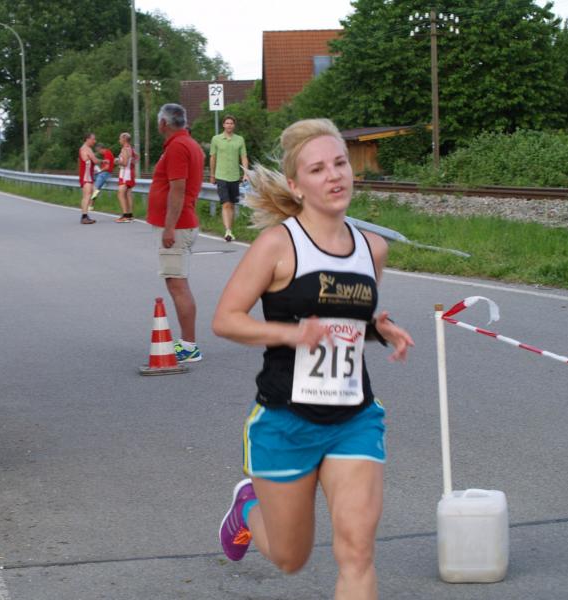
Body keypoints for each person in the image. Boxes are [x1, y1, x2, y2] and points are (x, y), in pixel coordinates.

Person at [211, 119, 414, 599]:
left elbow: (346, 318)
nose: (334, 175)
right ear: (296, 185)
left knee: (357, 551)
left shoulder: (373, 249)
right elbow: (226, 319)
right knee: (290, 557)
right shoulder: (278, 245)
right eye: (318, 169)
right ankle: (247, 509)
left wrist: (377, 329)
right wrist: (291, 333)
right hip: (285, 419)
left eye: (340, 163)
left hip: (354, 416)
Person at [147, 103, 204, 363]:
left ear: (163, 123)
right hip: (181, 223)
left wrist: (169, 227)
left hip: (178, 226)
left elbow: (178, 189)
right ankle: (187, 342)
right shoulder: (187, 143)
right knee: (176, 281)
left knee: (177, 284)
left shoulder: (178, 147)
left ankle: (189, 345)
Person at [210, 115, 249, 242]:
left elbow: (243, 157)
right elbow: (213, 157)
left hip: (234, 176)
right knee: (226, 204)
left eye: (231, 123)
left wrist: (246, 173)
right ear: (223, 125)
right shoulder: (216, 139)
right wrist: (212, 175)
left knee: (231, 204)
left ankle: (230, 230)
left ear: (234, 125)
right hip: (221, 176)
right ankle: (227, 230)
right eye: (227, 123)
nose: (229, 125)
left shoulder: (240, 139)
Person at [115, 133, 138, 223]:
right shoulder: (131, 148)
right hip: (130, 173)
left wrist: (117, 161)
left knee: (120, 194)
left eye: (120, 138)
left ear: (124, 139)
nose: (119, 140)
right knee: (128, 194)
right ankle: (130, 215)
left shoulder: (124, 149)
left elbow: (124, 163)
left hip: (125, 174)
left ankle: (125, 216)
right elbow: (137, 157)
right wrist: (131, 164)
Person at [78, 133, 98, 224]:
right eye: (93, 139)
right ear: (87, 139)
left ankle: (85, 215)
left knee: (89, 194)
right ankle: (84, 217)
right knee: (87, 195)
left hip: (88, 175)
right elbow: (95, 160)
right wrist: (103, 161)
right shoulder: (86, 149)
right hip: (86, 176)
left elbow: (93, 161)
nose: (94, 141)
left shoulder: (86, 148)